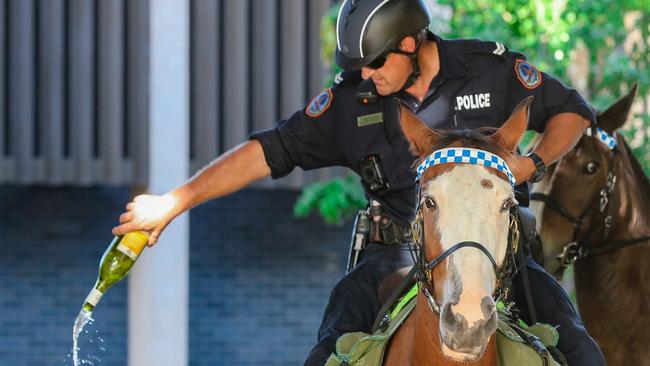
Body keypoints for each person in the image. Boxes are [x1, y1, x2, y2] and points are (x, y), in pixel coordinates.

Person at [113, 0, 605, 364]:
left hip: (497, 258)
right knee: (326, 356)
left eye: (376, 62)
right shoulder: (353, 102)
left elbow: (571, 111)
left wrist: (531, 164)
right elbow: (268, 151)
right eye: (360, 67)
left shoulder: (490, 71)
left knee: (581, 351)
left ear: (412, 43)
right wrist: (173, 202)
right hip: (392, 258)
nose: (367, 75)